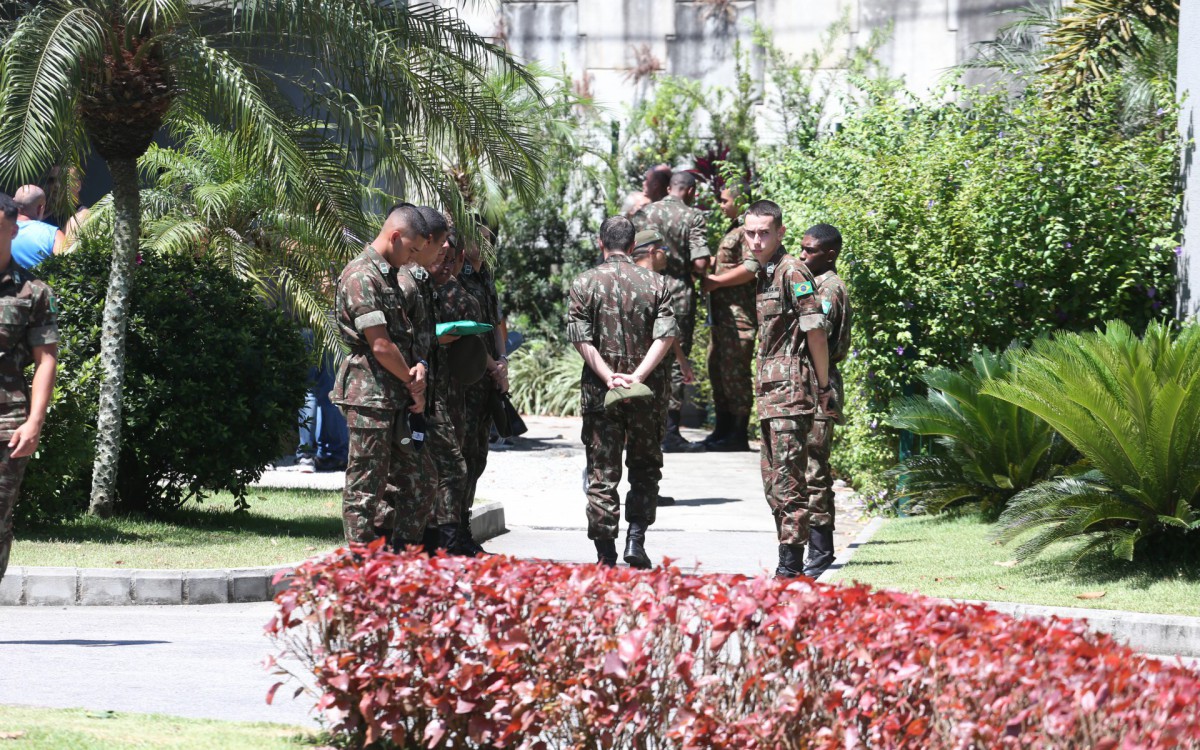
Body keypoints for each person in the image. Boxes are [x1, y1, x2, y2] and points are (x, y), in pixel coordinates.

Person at [568, 216, 676, 568]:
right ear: (633, 246)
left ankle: (605, 553)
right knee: (645, 467)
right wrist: (637, 377)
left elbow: (580, 338)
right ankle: (635, 540)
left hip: (601, 394)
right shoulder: (657, 283)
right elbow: (666, 336)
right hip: (647, 393)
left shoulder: (583, 283)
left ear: (602, 244)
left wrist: (608, 376)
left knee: (602, 472)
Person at [331, 203, 438, 548]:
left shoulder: (390, 274)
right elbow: (379, 344)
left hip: (396, 394)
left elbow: (406, 334)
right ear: (394, 237)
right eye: (411, 249)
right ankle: (361, 565)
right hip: (369, 396)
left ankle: (402, 559)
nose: (412, 258)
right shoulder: (361, 275)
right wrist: (411, 378)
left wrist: (418, 367)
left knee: (421, 479)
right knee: (366, 486)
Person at [743, 200, 833, 579]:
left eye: (765, 232)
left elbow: (815, 330)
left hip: (791, 392)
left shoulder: (791, 272)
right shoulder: (765, 272)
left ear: (780, 233)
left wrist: (824, 386)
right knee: (773, 482)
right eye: (750, 232)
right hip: (770, 393)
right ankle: (790, 557)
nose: (757, 240)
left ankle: (790, 565)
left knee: (789, 480)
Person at [0, 192, 59, 585]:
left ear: (13, 227)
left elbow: (46, 360)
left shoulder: (32, 292)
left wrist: (35, 422)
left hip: (7, 425)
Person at [633, 171, 711, 452]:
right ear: (691, 192)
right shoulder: (693, 217)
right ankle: (671, 433)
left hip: (642, 287)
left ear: (669, 188)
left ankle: (645, 425)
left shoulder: (644, 213)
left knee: (646, 354)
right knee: (676, 362)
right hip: (678, 293)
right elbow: (701, 264)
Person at [799, 224, 852, 578]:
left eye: (810, 250)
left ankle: (820, 551)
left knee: (814, 466)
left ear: (830, 254)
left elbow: (819, 337)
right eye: (800, 248)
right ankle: (813, 546)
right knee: (804, 464)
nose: (803, 255)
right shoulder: (812, 285)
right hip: (806, 382)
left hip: (821, 383)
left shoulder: (830, 289)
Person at [699, 185, 758, 452]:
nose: (721, 205)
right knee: (718, 371)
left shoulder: (749, 231)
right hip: (722, 318)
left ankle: (738, 434)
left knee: (735, 373)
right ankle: (722, 430)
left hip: (739, 317)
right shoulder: (733, 229)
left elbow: (750, 268)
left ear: (740, 200)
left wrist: (716, 282)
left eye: (725, 201)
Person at [457, 224, 507, 511]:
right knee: (464, 452)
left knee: (479, 454)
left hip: (489, 373)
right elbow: (467, 330)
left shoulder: (486, 276)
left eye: (489, 240)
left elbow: (496, 321)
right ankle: (455, 526)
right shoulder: (459, 278)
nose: (485, 245)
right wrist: (492, 365)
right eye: (479, 239)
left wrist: (503, 361)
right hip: (471, 375)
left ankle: (464, 521)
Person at [10, 185, 65, 269]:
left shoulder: (3, 228)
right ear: (40, 208)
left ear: (13, 202)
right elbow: (66, 267)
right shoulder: (54, 235)